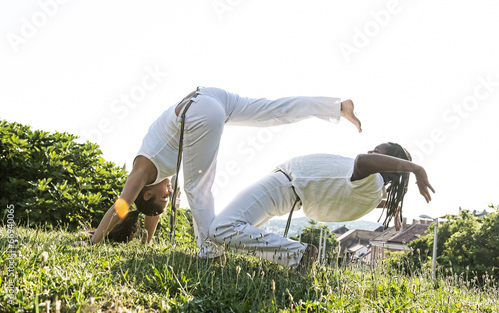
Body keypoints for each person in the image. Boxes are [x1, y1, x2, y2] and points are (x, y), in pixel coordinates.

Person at [89, 87, 362, 258]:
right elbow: (153, 213)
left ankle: (211, 254)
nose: (169, 193)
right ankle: (337, 108)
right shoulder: (155, 180)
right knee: (272, 111)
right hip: (209, 95)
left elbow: (121, 208)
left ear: (146, 192)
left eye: (163, 197)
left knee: (197, 188)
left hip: (199, 111)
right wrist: (146, 243)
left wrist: (94, 242)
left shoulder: (142, 171)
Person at [208, 142, 435, 271]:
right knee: (226, 232)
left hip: (282, 186)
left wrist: (416, 169)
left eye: (377, 150)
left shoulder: (371, 179)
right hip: (287, 192)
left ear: (388, 165)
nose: (371, 151)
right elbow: (355, 194)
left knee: (221, 228)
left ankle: (298, 253)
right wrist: (390, 206)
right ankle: (212, 257)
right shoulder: (372, 190)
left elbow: (361, 161)